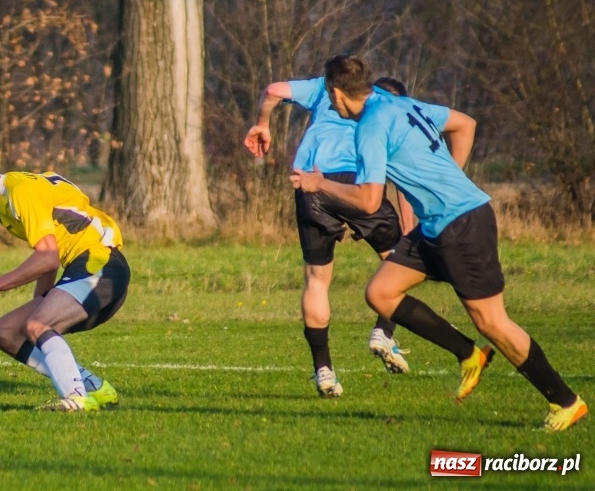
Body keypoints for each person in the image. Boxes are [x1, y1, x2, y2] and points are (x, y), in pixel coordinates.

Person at [290, 54, 587, 431]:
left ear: (336, 94)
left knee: (492, 322)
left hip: (461, 223)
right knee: (381, 292)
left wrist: (319, 184)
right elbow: (465, 124)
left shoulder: (369, 126)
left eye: (330, 100)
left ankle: (566, 401)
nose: (332, 107)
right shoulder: (397, 103)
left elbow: (368, 201)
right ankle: (468, 354)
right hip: (436, 223)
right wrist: (447, 179)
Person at [244, 68, 415, 399]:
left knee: (317, 280)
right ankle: (383, 331)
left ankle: (323, 370)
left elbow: (274, 89)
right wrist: (407, 229)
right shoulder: (389, 113)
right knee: (403, 263)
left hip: (311, 182)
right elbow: (403, 182)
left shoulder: (324, 90)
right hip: (356, 182)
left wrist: (263, 124)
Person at [0, 140, 130, 412]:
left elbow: (48, 257)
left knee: (38, 324)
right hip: (84, 269)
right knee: (7, 332)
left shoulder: (19, 191)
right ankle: (94, 388)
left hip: (100, 266)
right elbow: (48, 254)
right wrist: (42, 300)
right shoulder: (1, 206)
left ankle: (76, 398)